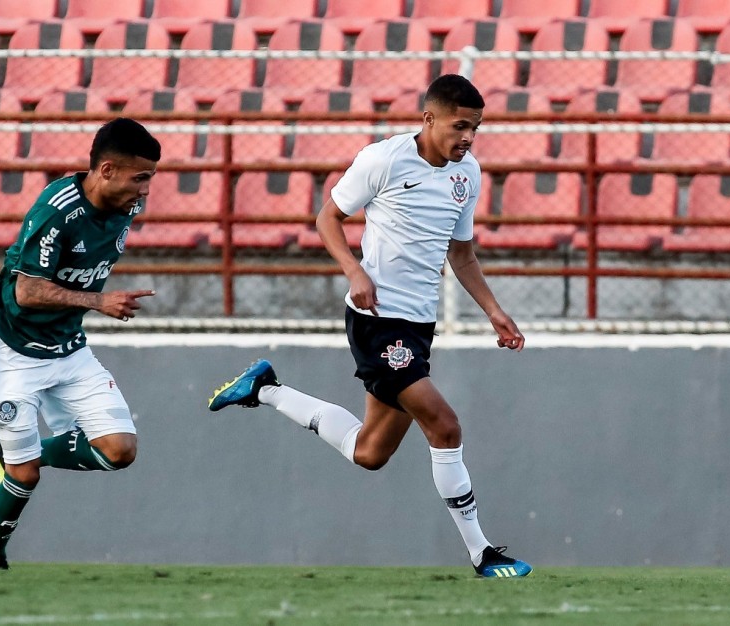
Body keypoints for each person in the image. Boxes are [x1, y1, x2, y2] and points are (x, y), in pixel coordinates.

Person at [209, 75, 532, 578]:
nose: (468, 137)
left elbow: (461, 253)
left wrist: (492, 309)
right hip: (378, 322)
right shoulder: (383, 159)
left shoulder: (467, 173)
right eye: (460, 125)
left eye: (476, 128)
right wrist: (354, 271)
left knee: (370, 452)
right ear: (429, 119)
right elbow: (326, 218)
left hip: (417, 329)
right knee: (444, 426)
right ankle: (482, 552)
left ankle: (265, 389)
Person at [0, 118, 160, 570]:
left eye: (150, 179)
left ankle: (14, 450)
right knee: (24, 476)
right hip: (16, 349)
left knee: (120, 451)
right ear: (107, 170)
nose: (145, 191)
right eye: (140, 178)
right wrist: (98, 300)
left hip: (69, 347)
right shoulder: (57, 211)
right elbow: (26, 291)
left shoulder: (125, 207)